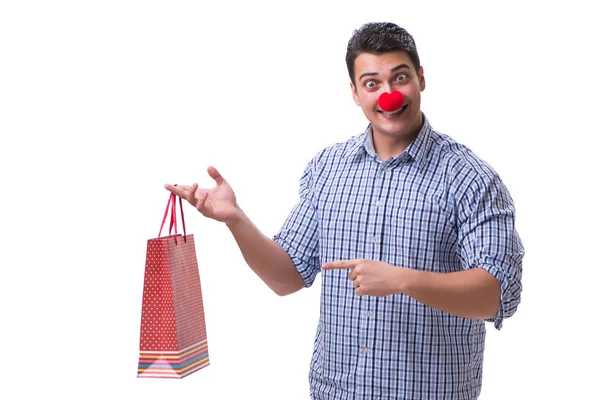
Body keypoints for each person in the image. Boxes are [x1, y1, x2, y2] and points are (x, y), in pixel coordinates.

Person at [166, 22, 524, 400]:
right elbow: (287, 276)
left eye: (399, 78)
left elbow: (498, 296)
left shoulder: (471, 178)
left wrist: (402, 279)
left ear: (420, 78)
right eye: (372, 83)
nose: (388, 95)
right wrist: (236, 219)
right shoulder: (328, 167)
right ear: (355, 92)